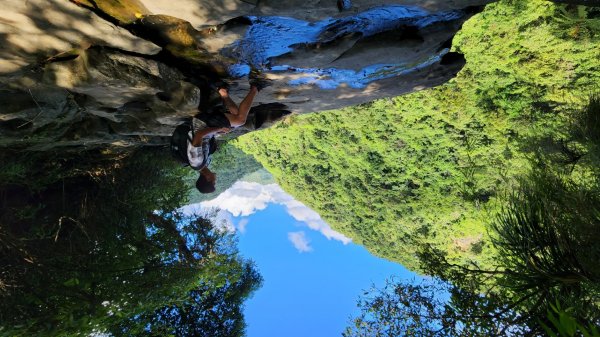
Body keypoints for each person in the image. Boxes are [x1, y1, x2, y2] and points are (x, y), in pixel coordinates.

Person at [191, 79, 270, 194]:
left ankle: (255, 87)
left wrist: (218, 129)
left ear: (208, 179)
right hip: (208, 125)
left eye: (213, 182)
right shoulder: (204, 164)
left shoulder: (196, 161)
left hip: (202, 122)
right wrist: (219, 132)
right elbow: (205, 139)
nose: (215, 180)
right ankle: (223, 91)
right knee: (236, 117)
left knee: (240, 119)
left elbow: (198, 134)